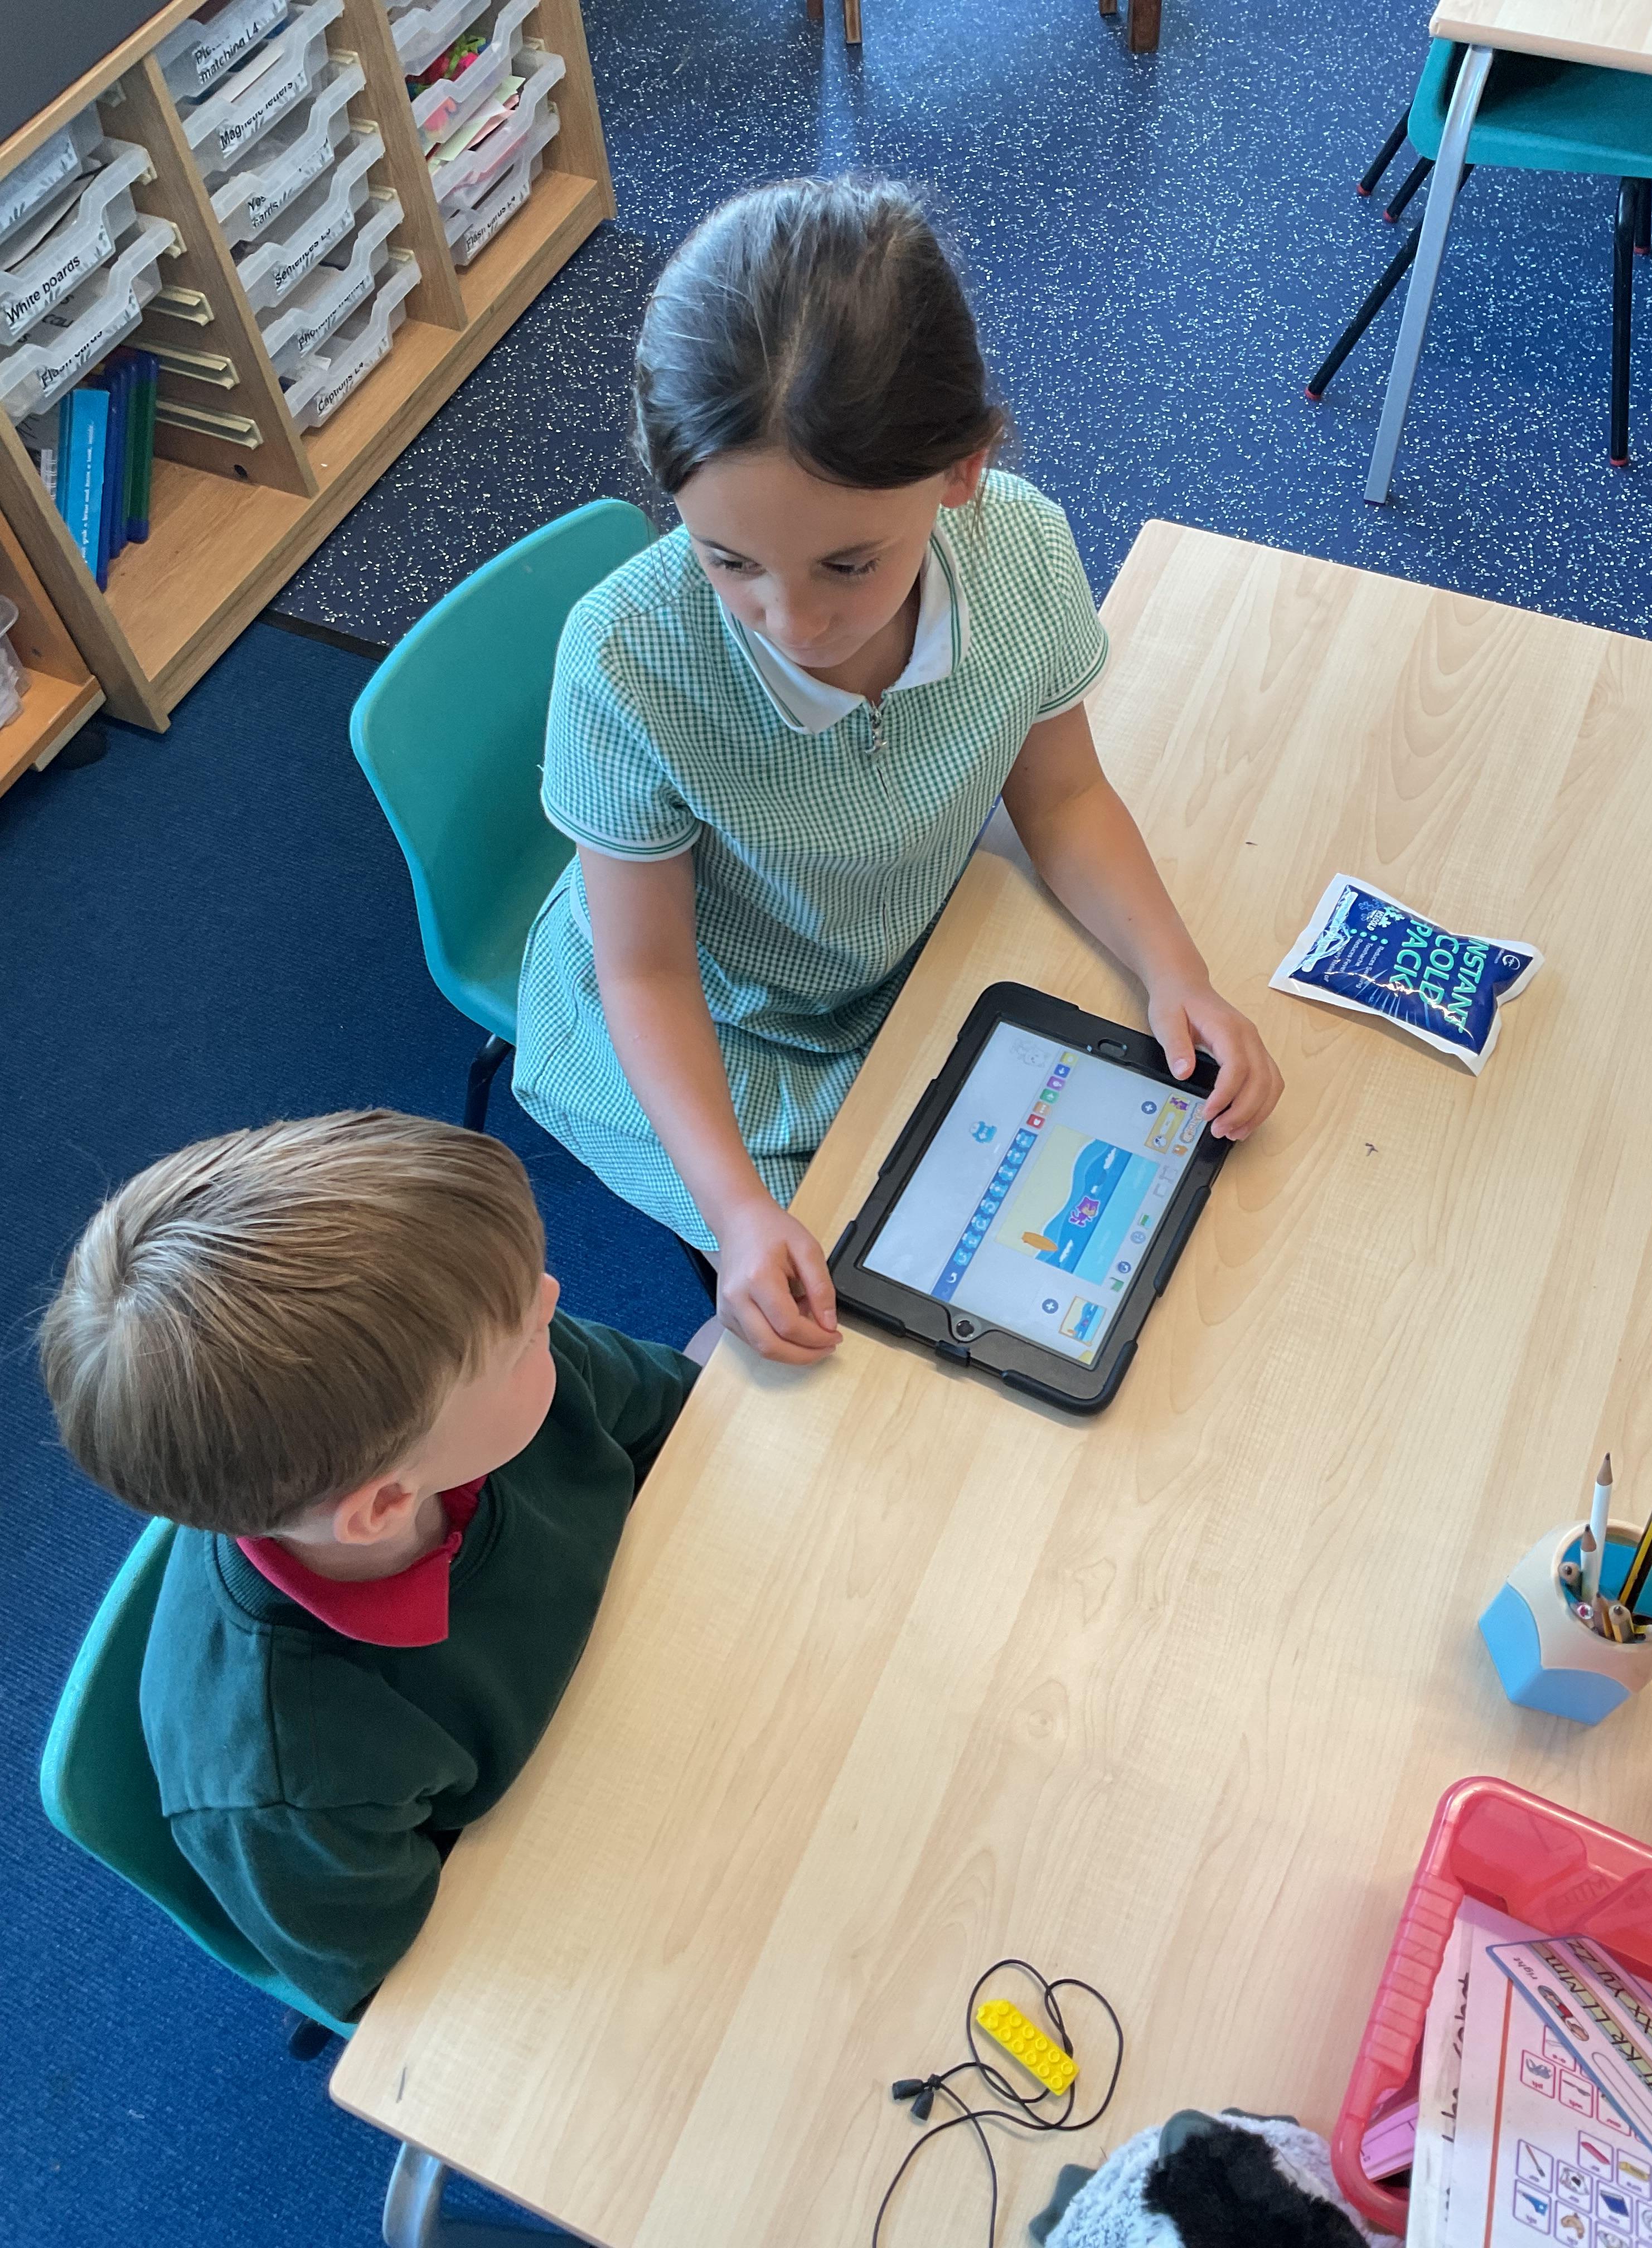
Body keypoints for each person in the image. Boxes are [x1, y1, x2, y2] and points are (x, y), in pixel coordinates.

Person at [515, 175, 1282, 1370]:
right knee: (853, 1326)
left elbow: (1064, 797)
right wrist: (737, 1213)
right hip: (715, 1028)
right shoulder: (623, 659)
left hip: (899, 957)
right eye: (727, 561)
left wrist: (1176, 972)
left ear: (962, 471)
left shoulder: (1020, 545)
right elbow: (645, 972)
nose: (791, 622)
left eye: (847, 565)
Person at [38, 1110, 695, 2025]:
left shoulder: (477, 1363)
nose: (550, 1299)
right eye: (523, 1340)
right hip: (586, 1857)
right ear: (385, 1505)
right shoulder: (284, 1777)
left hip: (678, 1662)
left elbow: (687, 1423)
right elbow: (416, 1991)